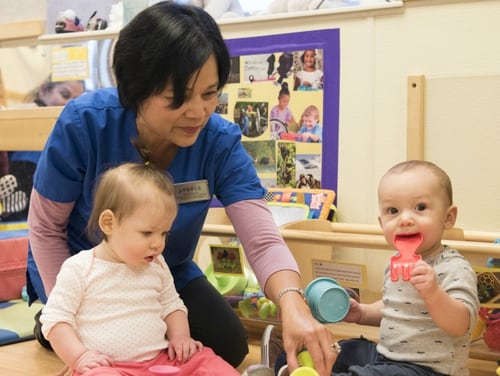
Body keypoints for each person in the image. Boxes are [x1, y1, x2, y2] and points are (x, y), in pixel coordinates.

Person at [26, 2, 336, 375]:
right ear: (137, 89)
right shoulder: (85, 124)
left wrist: (292, 304)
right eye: (179, 97)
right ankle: (51, 321)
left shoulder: (219, 141)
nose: (198, 112)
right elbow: (45, 229)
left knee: (228, 344)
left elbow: (262, 239)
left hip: (161, 270)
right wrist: (69, 314)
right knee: (94, 342)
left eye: (209, 94)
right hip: (84, 274)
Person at [269, 160, 480, 375]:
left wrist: (433, 293)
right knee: (345, 348)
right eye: (393, 210)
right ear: (382, 223)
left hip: (429, 370)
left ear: (448, 217)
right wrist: (363, 313)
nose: (405, 219)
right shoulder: (395, 263)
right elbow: (394, 308)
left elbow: (461, 324)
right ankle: (292, 363)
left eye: (420, 208)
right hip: (386, 356)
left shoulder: (454, 267)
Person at [40, 162, 239, 376]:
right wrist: (79, 357)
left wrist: (180, 337)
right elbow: (56, 320)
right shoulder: (80, 268)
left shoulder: (157, 264)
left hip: (163, 360)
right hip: (109, 368)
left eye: (164, 233)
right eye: (147, 233)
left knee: (207, 361)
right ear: (109, 223)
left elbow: (172, 305)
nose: (158, 244)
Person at [5, 77, 85, 221]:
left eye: (77, 99)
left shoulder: (74, 124)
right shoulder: (25, 114)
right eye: (64, 95)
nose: (70, 104)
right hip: (22, 184)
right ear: (43, 91)